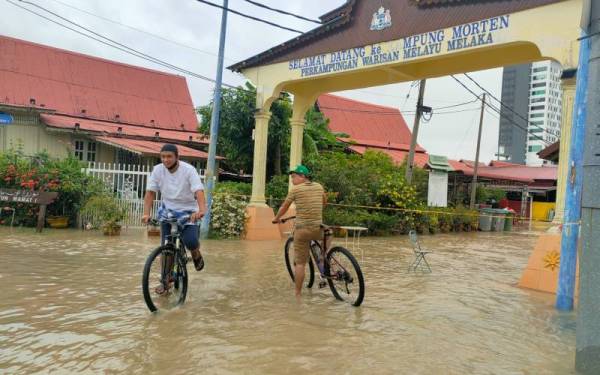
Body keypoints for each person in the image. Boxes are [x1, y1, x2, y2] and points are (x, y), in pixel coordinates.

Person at [142, 144, 206, 294]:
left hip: (189, 210)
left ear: (177, 157)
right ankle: (165, 281)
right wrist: (146, 213)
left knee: (190, 241)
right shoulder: (158, 170)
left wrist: (202, 210)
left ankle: (196, 254)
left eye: (169, 156)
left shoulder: (189, 170)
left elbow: (198, 191)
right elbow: (150, 193)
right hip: (168, 210)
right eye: (163, 156)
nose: (166, 160)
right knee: (166, 247)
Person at [272, 165, 327, 298]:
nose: (292, 180)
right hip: (318, 228)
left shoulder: (295, 190)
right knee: (326, 234)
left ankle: (297, 294)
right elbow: (324, 202)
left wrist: (276, 218)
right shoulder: (319, 186)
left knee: (300, 263)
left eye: (294, 177)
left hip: (303, 230)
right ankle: (325, 256)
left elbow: (285, 206)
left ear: (303, 176)